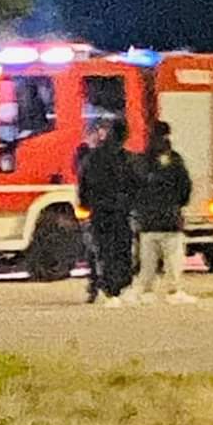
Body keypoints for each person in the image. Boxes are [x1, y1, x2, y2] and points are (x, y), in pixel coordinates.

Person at [134, 120, 194, 303]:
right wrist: (178, 205)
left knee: (148, 260)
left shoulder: (141, 160)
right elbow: (185, 186)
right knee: (173, 258)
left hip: (147, 220)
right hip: (169, 219)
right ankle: (173, 292)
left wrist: (141, 208)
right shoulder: (174, 160)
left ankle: (147, 292)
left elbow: (135, 187)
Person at [78, 117, 135, 302]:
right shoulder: (127, 158)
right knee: (122, 250)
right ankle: (121, 286)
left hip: (100, 212)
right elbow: (136, 185)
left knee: (104, 250)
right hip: (121, 213)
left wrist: (85, 205)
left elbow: (83, 183)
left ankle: (108, 289)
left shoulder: (93, 157)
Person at [76, 124, 107, 303]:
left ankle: (96, 285)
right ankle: (97, 285)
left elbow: (83, 186)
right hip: (99, 211)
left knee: (96, 250)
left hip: (97, 210)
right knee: (96, 250)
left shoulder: (88, 158)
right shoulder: (87, 156)